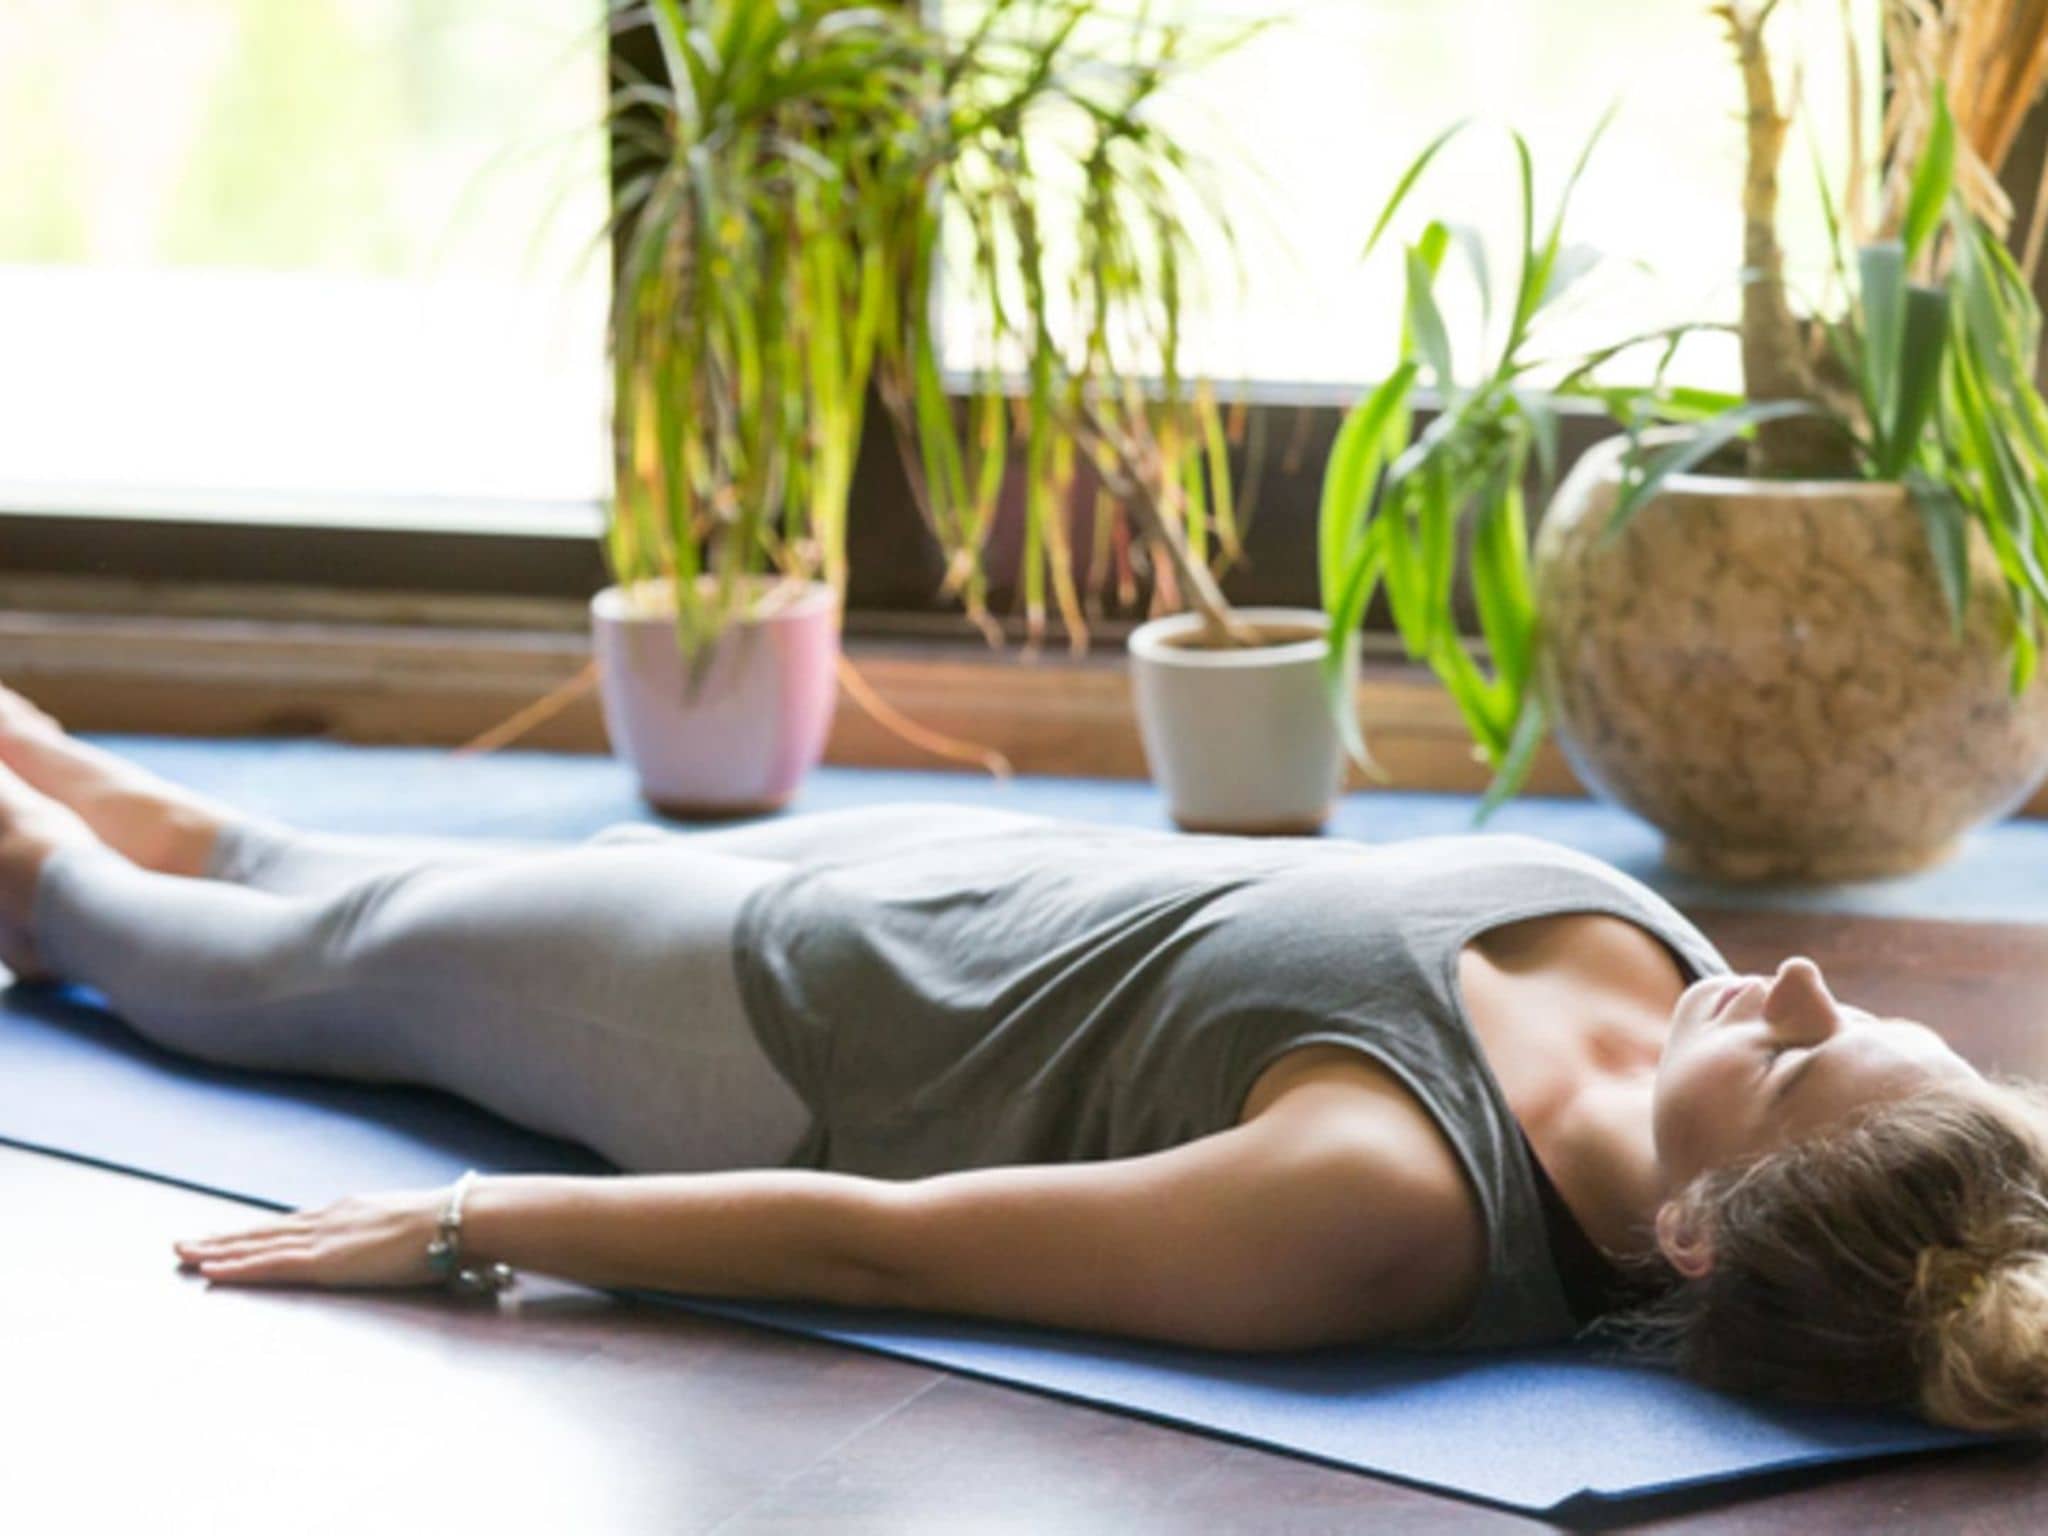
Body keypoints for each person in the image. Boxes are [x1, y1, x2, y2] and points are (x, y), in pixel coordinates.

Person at [0, 684, 2041, 1436]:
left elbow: (900, 1245)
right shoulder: (1705, 1023)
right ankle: (80, 771)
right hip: (947, 879)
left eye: (1795, 1061)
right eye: (1847, 1014)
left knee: (165, 933)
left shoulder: (1382, 1207)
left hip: (757, 1010)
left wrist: (467, 1221)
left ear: (1690, 1235)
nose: (1782, 987)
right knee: (274, 846)